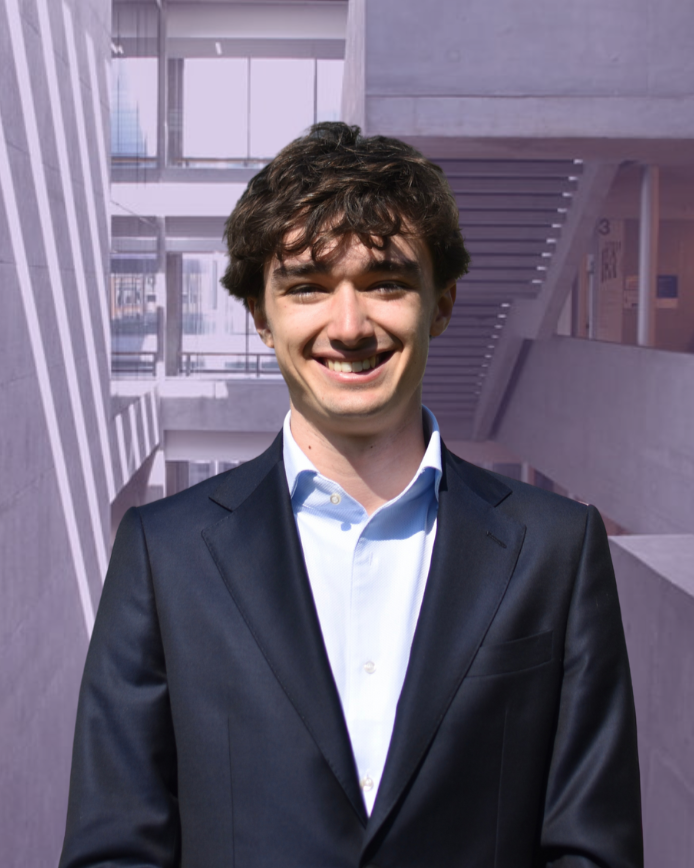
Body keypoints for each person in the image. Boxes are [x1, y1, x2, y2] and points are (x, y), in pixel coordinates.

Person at [59, 123, 643, 868]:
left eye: (386, 283)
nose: (348, 325)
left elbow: (594, 849)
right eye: (306, 287)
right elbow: (115, 851)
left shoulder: (556, 548)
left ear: (442, 303)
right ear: (261, 317)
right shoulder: (161, 553)